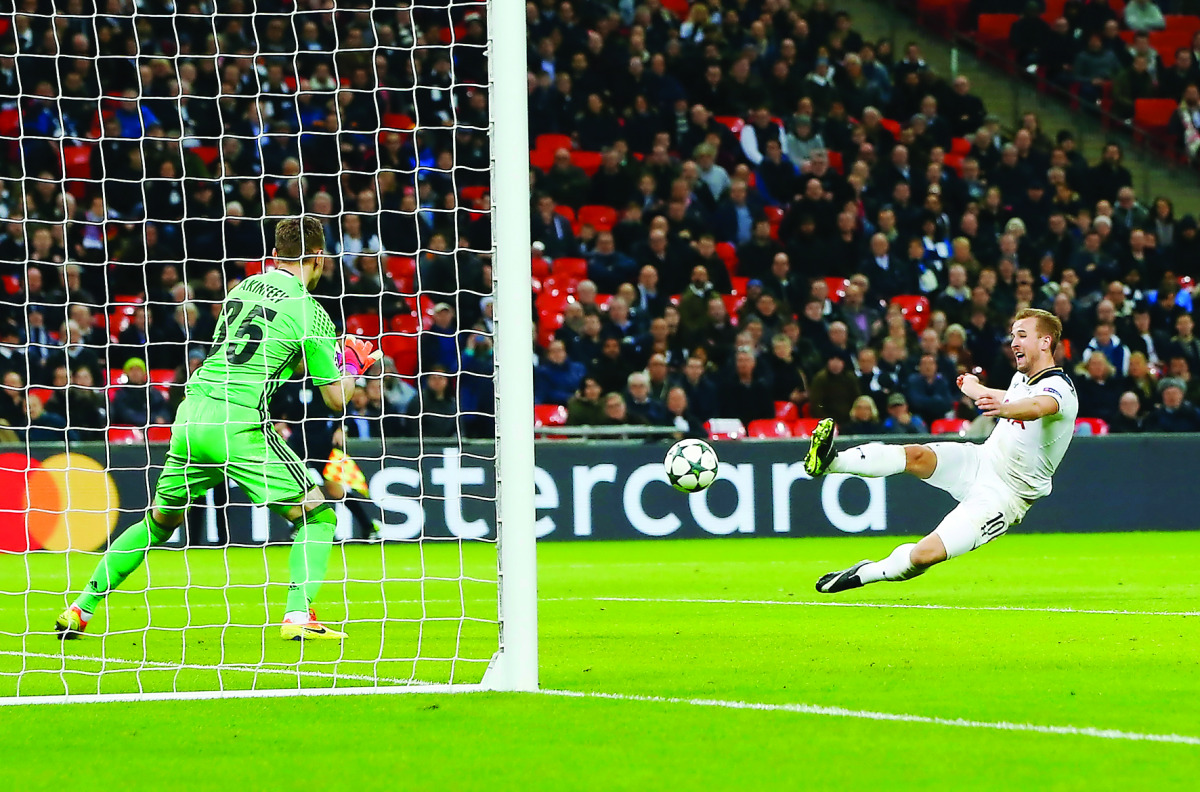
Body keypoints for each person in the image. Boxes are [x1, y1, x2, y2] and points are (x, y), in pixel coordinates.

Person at [56, 217, 382, 642]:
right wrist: (353, 363)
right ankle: (299, 615)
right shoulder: (311, 312)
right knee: (317, 515)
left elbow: (253, 353)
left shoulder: (241, 289)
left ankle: (81, 608)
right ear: (318, 257)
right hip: (239, 422)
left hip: (192, 416)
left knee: (157, 522)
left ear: (277, 252)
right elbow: (336, 399)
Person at [807, 308, 1078, 593]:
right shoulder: (1022, 380)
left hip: (1005, 496)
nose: (1013, 342)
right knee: (916, 455)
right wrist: (975, 387)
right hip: (980, 460)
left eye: (1022, 335)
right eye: (1013, 336)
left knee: (924, 556)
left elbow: (1037, 407)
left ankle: (866, 572)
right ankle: (831, 461)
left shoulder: (1060, 389)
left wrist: (1005, 408)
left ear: (1045, 342)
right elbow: (1011, 397)